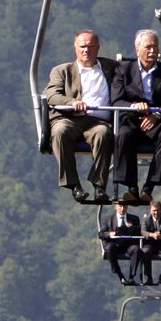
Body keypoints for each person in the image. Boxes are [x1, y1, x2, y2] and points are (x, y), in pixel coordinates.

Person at [110, 28, 161, 205]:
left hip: (158, 121)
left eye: (155, 47)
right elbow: (116, 101)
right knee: (124, 135)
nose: (152, 51)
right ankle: (131, 187)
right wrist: (135, 107)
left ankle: (149, 187)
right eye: (148, 47)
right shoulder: (123, 71)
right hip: (132, 119)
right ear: (137, 49)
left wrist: (156, 115)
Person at [44, 30, 116, 203]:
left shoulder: (111, 68)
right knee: (60, 132)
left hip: (98, 120)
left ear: (98, 48)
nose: (86, 50)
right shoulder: (62, 71)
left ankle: (99, 186)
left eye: (91, 47)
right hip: (70, 118)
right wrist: (71, 102)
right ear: (75, 48)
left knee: (103, 134)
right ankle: (73, 185)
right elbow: (52, 95)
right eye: (82, 46)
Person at [98, 197, 142, 285]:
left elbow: (139, 232)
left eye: (125, 206)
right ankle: (119, 274)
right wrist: (111, 233)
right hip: (115, 245)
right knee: (109, 248)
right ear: (116, 207)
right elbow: (101, 234)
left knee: (136, 249)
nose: (122, 209)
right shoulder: (108, 219)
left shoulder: (134, 219)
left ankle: (131, 277)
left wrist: (131, 229)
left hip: (128, 245)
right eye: (120, 206)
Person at [139, 200, 161, 286]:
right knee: (145, 252)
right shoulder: (146, 220)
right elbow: (143, 231)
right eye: (154, 210)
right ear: (150, 210)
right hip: (150, 244)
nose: (156, 212)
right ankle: (148, 277)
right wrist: (151, 235)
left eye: (158, 210)